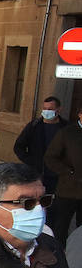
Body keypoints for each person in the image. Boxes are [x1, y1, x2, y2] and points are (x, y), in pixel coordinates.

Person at [44, 105, 82, 247]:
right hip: (68, 189)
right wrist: (68, 171)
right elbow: (50, 157)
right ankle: (58, 251)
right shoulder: (67, 133)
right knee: (61, 225)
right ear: (80, 114)